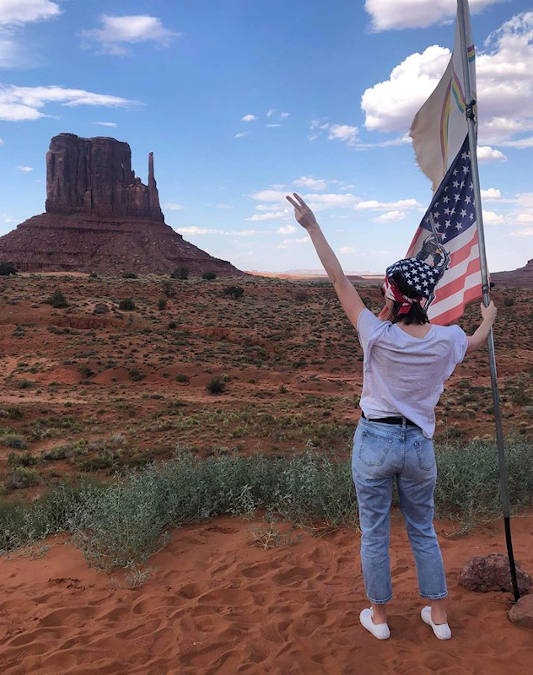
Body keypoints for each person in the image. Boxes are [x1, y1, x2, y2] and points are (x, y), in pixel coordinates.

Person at [286, 192, 497, 641]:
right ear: (426, 298)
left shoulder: (376, 334)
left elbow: (339, 280)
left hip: (376, 443)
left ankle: (380, 620)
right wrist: (488, 319)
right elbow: (475, 343)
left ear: (392, 295)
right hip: (419, 445)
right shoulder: (447, 339)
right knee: (423, 529)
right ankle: (438, 616)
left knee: (374, 534)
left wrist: (313, 227)